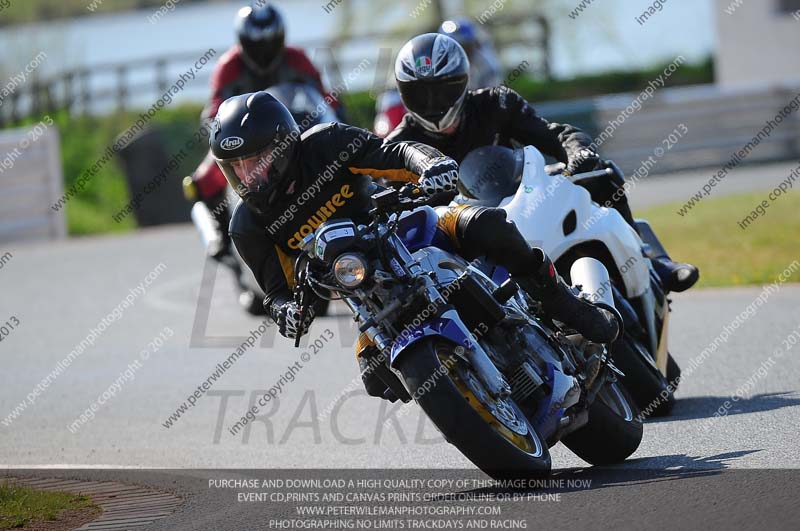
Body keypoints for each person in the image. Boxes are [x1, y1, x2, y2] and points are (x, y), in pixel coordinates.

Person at [210, 92, 620, 354]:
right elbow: (278, 291)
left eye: (256, 162)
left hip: (407, 227)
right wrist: (286, 312)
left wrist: (431, 164)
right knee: (374, 374)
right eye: (237, 168)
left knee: (489, 224)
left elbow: (395, 153)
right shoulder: (247, 226)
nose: (248, 177)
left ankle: (563, 304)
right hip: (367, 289)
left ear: (283, 148)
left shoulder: (327, 143)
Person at [386, 33, 699, 293]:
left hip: (521, 202)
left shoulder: (497, 103)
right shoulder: (398, 147)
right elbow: (383, 205)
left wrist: (578, 153)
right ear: (404, 95)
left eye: (443, 90)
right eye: (420, 95)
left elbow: (555, 134)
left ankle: (653, 259)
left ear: (463, 81)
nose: (433, 104)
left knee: (599, 173)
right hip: (464, 243)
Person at [184, 3, 339, 264]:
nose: (264, 50)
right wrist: (222, 136)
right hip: (244, 142)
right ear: (243, 41)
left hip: (290, 131)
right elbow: (212, 112)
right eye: (257, 43)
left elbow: (325, 98)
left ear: (281, 37)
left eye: (270, 41)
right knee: (203, 180)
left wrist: (337, 118)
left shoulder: (297, 59)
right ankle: (223, 236)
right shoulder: (228, 67)